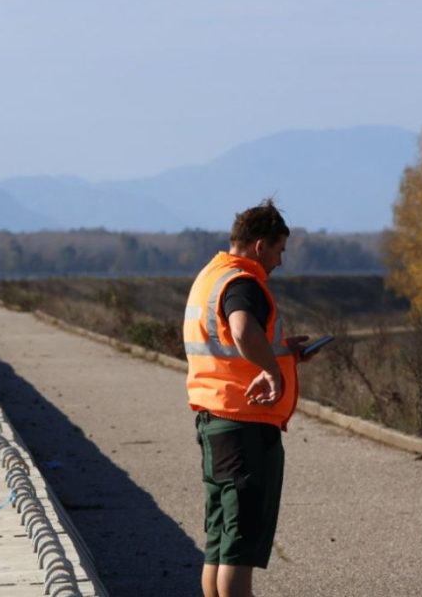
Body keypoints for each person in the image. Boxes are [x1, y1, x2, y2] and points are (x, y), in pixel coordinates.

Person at [185, 200, 312, 597]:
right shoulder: (243, 282)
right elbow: (241, 332)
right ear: (260, 246)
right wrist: (272, 371)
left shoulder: (211, 276)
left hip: (213, 420)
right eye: (279, 251)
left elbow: (229, 343)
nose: (279, 262)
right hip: (246, 425)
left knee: (219, 543)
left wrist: (282, 352)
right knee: (239, 548)